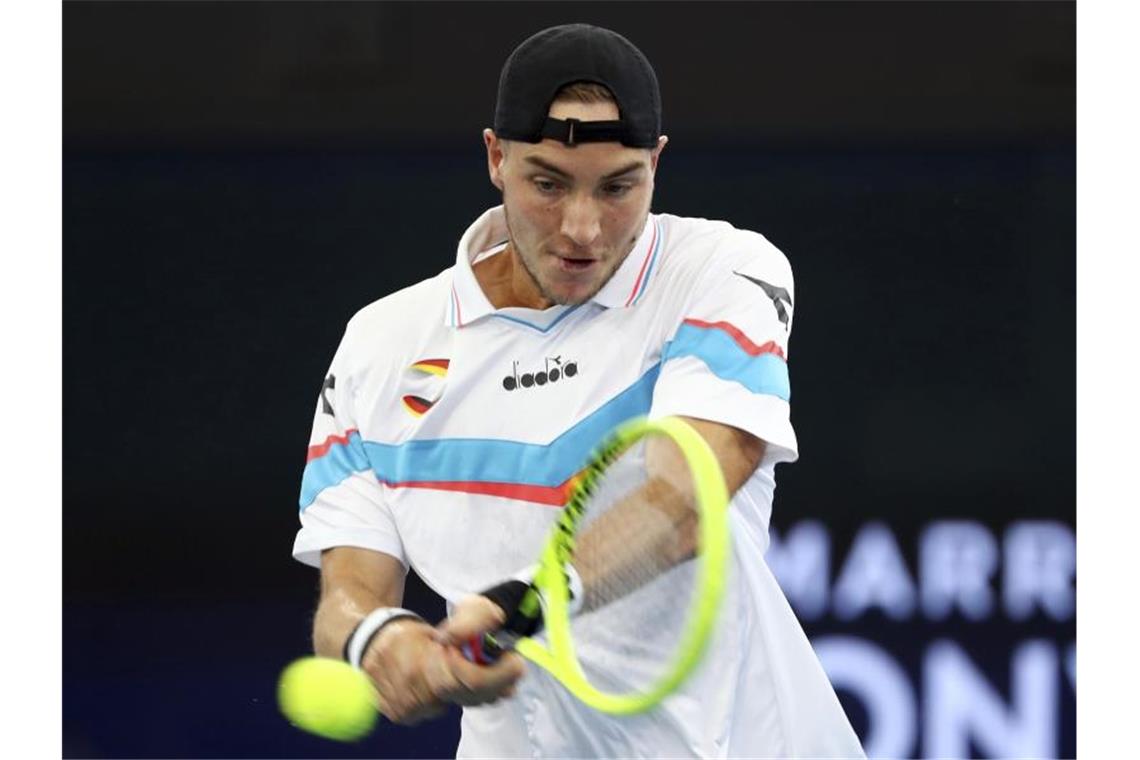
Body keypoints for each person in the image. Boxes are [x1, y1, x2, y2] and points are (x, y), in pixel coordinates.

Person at [292, 22, 865, 758]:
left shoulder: (723, 272)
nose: (583, 228)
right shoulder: (381, 342)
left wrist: (527, 604)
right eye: (548, 184)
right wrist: (383, 642)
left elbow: (684, 501)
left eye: (619, 186)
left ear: (656, 163)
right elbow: (349, 591)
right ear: (496, 157)